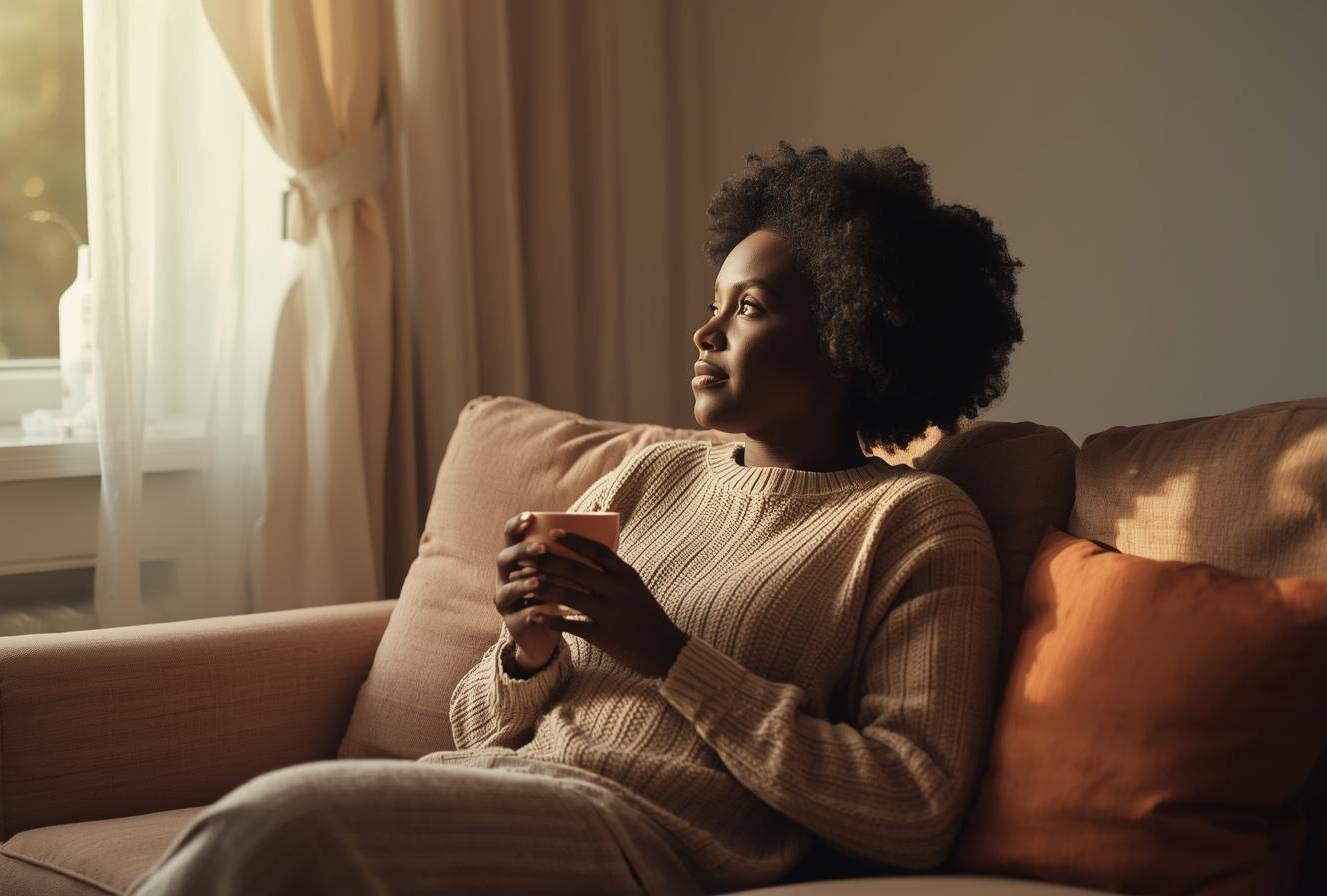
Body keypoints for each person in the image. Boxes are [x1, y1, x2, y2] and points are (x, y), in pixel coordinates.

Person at [127, 141, 1024, 896]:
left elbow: (912, 808)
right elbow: (476, 729)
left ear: (852, 337)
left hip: (640, 839)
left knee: (272, 827)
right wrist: (527, 649)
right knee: (264, 827)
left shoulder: (915, 523)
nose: (705, 335)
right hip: (500, 790)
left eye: (747, 309)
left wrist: (668, 655)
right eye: (712, 305)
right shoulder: (653, 476)